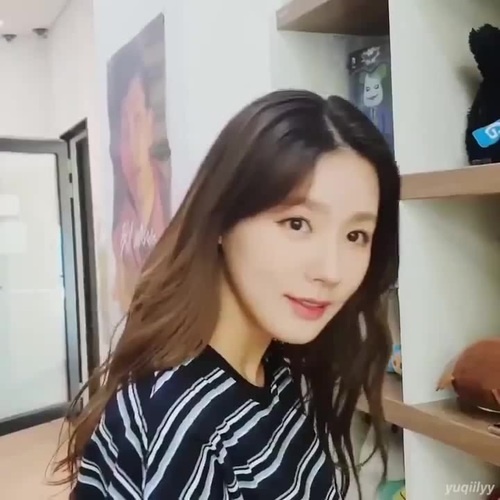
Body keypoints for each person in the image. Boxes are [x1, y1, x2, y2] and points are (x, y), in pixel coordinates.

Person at [54, 89, 400, 499]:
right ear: (221, 218)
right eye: (296, 224)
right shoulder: (184, 423)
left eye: (356, 235)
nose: (331, 271)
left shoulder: (274, 366)